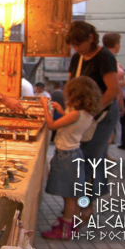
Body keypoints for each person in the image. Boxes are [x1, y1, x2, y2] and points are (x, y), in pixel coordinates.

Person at [66, 21, 120, 220]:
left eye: (78, 43)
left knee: (89, 159)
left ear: (90, 38)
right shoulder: (77, 58)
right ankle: (82, 206)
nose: (76, 48)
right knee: (85, 159)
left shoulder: (105, 57)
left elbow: (113, 90)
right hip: (86, 115)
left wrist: (93, 112)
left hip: (103, 115)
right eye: (73, 44)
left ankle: (85, 207)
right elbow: (71, 85)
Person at [40, 76, 102, 240]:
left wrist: (45, 108)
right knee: (74, 195)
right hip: (75, 153)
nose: (67, 96)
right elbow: (71, 123)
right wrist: (61, 111)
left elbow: (52, 125)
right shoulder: (85, 113)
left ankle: (65, 229)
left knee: (68, 196)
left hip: (66, 157)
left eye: (69, 93)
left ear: (76, 95)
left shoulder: (76, 114)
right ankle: (71, 224)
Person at [102, 32, 125, 149]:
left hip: (115, 99)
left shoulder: (109, 58)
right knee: (109, 133)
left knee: (110, 133)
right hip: (112, 100)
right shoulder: (108, 58)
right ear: (116, 45)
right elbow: (113, 84)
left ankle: (105, 154)